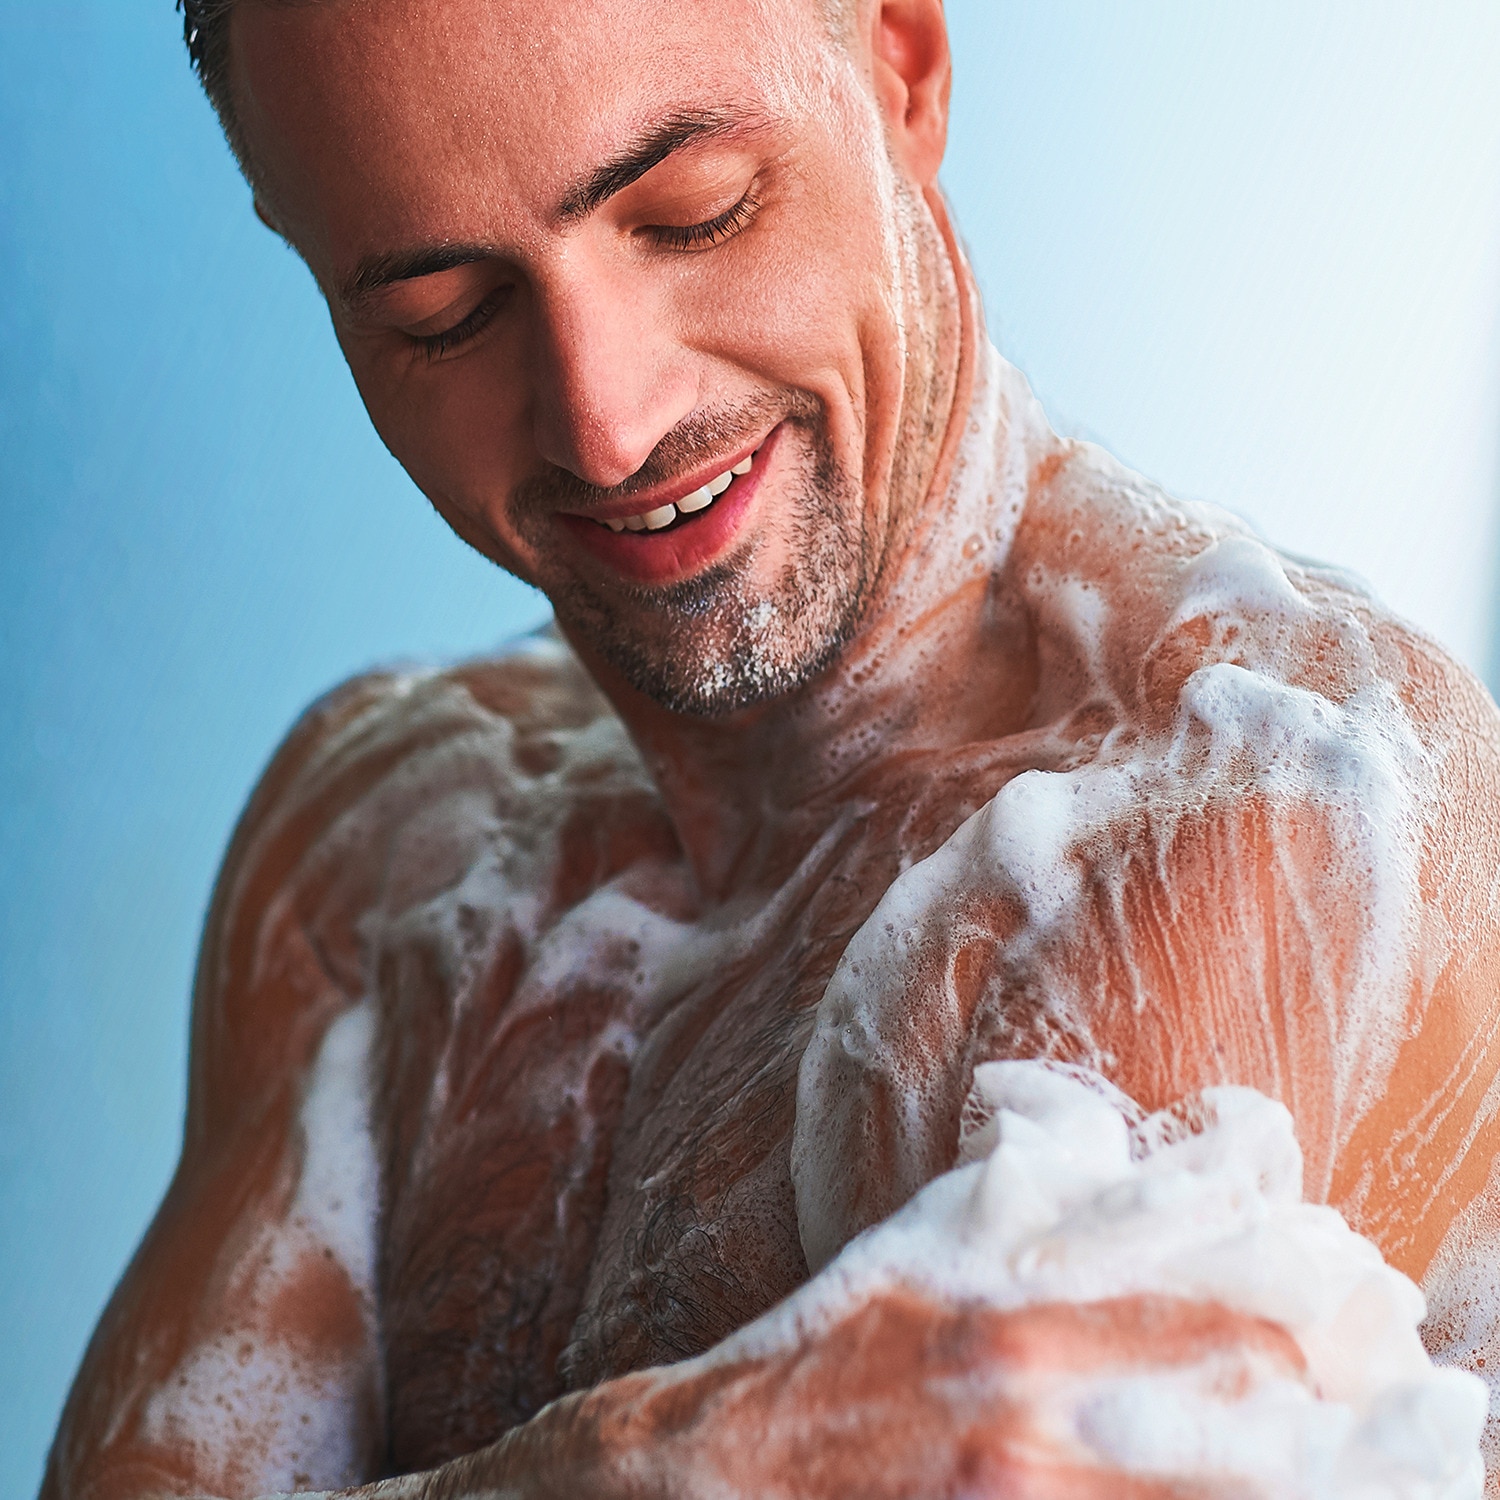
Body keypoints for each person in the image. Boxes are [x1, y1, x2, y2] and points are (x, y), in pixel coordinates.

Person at [41, 0, 1500, 1494]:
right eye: (445, 315)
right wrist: (657, 1463)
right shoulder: (385, 841)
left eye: (690, 215)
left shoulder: (1236, 821)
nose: (606, 423)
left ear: (903, 65)